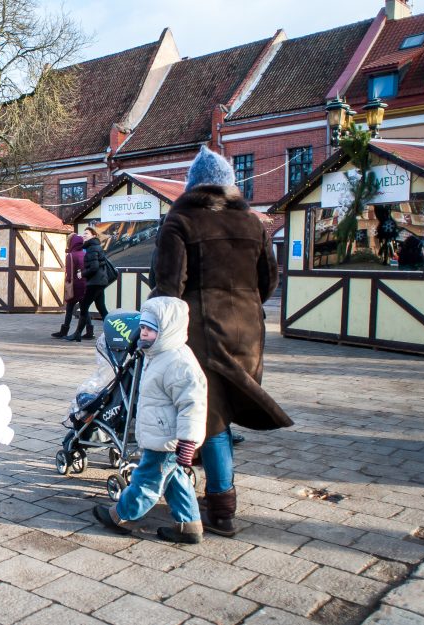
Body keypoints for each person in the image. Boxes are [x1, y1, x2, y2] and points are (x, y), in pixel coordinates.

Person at [152, 145, 292, 537]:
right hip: (248, 331)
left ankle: (221, 507)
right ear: (229, 186)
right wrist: (245, 306)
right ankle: (211, 492)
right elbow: (270, 281)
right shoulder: (252, 224)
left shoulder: (181, 221)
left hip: (201, 332)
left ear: (193, 186)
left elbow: (168, 288)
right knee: (223, 411)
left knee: (209, 417)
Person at [93, 296, 207, 543]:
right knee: (175, 482)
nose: (142, 334)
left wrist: (189, 441)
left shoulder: (179, 362)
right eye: (142, 328)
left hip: (166, 439)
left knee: (146, 483)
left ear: (167, 331)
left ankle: (122, 515)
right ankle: (189, 526)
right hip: (160, 433)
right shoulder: (157, 355)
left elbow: (193, 405)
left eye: (149, 330)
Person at [65, 226, 111, 341]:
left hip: (95, 282)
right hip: (100, 281)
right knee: (102, 308)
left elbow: (94, 267)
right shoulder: (96, 247)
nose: (84, 235)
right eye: (84, 233)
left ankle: (77, 334)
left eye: (87, 234)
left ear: (93, 236)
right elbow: (98, 264)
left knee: (84, 307)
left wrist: (83, 274)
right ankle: (112, 333)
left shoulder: (92, 248)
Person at [52, 233, 86, 339]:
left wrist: (67, 282)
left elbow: (69, 273)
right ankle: (90, 331)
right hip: (85, 284)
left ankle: (64, 330)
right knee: (84, 308)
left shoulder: (70, 255)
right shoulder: (84, 253)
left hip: (75, 285)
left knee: (70, 308)